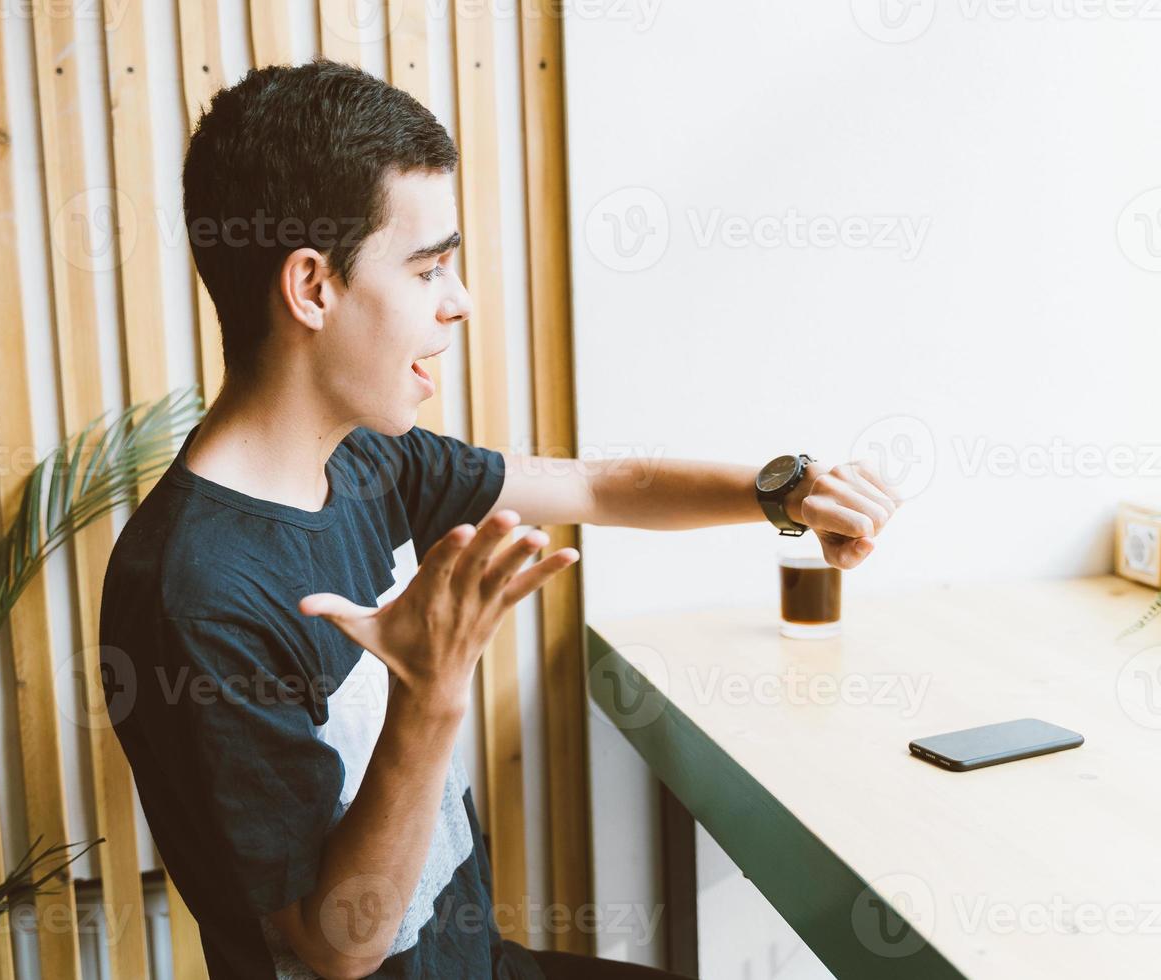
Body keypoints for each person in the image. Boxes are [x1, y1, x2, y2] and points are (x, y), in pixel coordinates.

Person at [99, 59, 897, 979]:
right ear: (312, 288)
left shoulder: (365, 460)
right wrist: (430, 690)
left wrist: (784, 492)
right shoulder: (195, 592)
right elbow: (337, 945)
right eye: (429, 266)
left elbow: (601, 487)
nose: (460, 300)